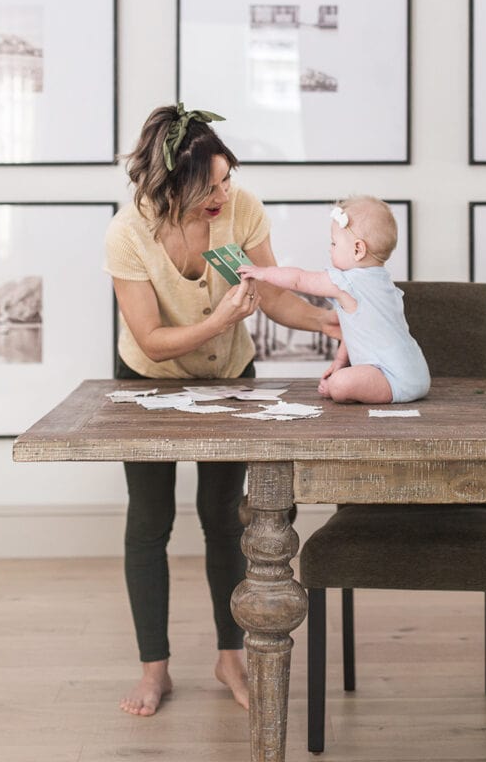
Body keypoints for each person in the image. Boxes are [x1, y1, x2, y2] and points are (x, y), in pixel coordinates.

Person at [104, 103, 339, 717]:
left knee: (225, 517)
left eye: (226, 179)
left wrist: (327, 323)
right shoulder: (127, 232)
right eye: (209, 187)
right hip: (146, 381)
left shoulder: (242, 208)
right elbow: (151, 338)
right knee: (149, 521)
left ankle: (228, 657)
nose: (223, 194)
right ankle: (155, 670)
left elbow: (274, 296)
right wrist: (217, 319)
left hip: (230, 375)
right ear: (170, 185)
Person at [238, 195, 431, 405]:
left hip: (390, 379)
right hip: (418, 373)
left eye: (334, 243)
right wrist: (340, 361)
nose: (330, 249)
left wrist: (263, 272)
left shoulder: (347, 282)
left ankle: (337, 387)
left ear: (358, 249)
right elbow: (356, 331)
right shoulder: (384, 285)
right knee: (345, 374)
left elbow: (299, 279)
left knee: (339, 385)